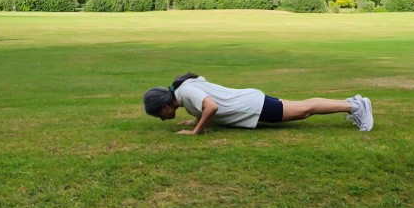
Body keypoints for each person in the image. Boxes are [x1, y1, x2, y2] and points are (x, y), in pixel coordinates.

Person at [143, 73, 373, 134]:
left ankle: (356, 107)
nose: (163, 119)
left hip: (252, 107)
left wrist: (196, 131)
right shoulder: (184, 91)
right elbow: (206, 102)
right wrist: (196, 120)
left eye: (159, 115)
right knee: (304, 107)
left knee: (304, 110)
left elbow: (211, 106)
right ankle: (351, 103)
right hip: (251, 101)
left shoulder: (186, 91)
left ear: (165, 106)